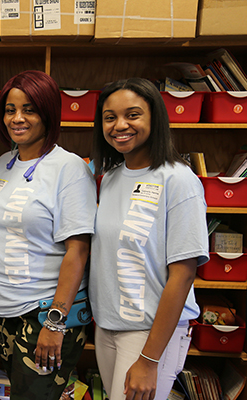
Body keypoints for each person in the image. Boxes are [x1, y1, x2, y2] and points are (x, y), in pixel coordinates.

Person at [0, 70, 97, 400]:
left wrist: (55, 322)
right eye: (10, 109)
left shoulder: (69, 168)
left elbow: (78, 250)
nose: (17, 118)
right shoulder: (4, 162)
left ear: (48, 112)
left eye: (29, 109)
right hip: (4, 311)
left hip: (44, 313)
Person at [89, 77, 209, 400]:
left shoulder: (179, 180)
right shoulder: (111, 178)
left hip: (149, 334)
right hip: (107, 327)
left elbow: (183, 274)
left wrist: (149, 358)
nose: (120, 125)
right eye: (109, 117)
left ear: (155, 118)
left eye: (133, 114)